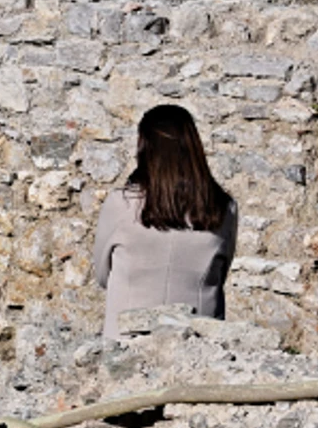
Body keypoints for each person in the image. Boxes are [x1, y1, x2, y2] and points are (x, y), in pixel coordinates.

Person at [94, 104, 239, 336]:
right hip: (198, 342)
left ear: (143, 148)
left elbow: (103, 275)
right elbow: (220, 273)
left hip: (126, 339)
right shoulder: (224, 208)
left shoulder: (120, 204)